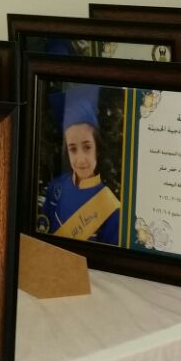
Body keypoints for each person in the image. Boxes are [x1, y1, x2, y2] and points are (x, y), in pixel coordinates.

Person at [39, 85, 120, 244]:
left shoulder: (111, 208)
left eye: (87, 147)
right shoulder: (56, 187)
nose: (81, 159)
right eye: (73, 149)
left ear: (97, 149)